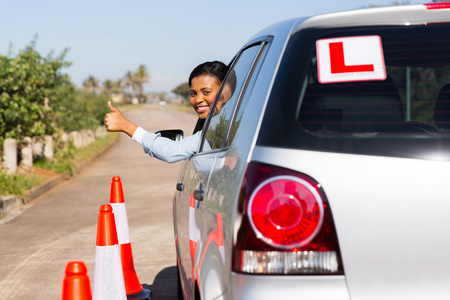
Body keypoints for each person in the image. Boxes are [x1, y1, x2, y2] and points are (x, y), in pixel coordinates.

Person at [104, 61, 235, 165]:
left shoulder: (219, 130)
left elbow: (171, 151)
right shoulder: (216, 126)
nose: (198, 100)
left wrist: (125, 126)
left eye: (206, 92)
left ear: (227, 92)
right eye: (193, 93)